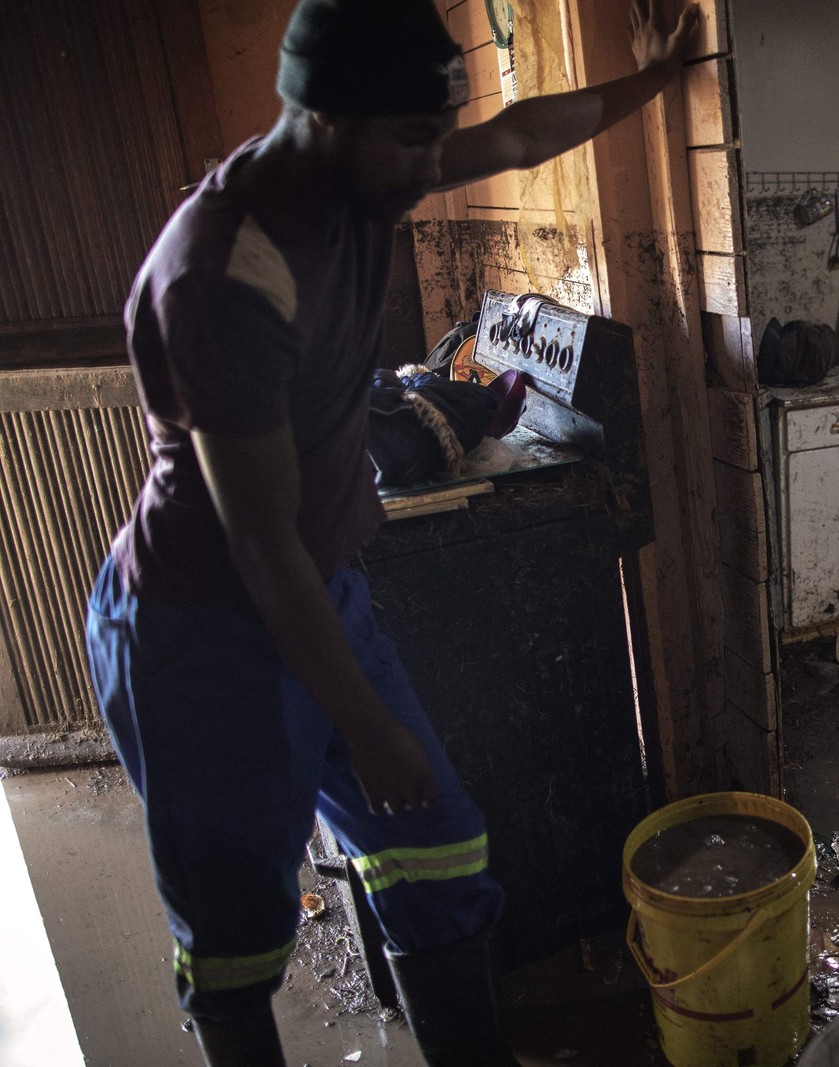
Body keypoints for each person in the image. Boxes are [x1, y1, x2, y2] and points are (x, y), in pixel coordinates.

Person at [81, 2, 699, 1064]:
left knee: (440, 850)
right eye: (412, 138)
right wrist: (364, 723)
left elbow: (515, 137)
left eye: (431, 133)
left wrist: (651, 79)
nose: (432, 164)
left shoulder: (359, 175)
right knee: (237, 948)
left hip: (321, 589)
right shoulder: (224, 275)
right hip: (201, 633)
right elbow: (262, 547)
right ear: (322, 113)